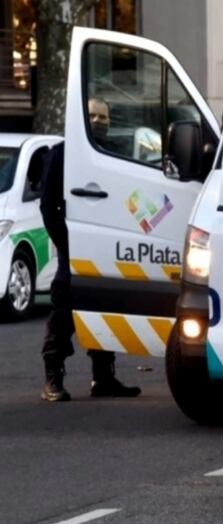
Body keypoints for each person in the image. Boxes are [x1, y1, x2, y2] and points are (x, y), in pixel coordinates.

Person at [40, 107, 142, 402]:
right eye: (92, 115)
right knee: (63, 314)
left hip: (107, 252)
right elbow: (48, 208)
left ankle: (104, 377)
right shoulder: (61, 154)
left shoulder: (114, 155)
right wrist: (70, 245)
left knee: (105, 310)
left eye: (104, 117)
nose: (98, 121)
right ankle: (53, 378)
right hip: (74, 252)